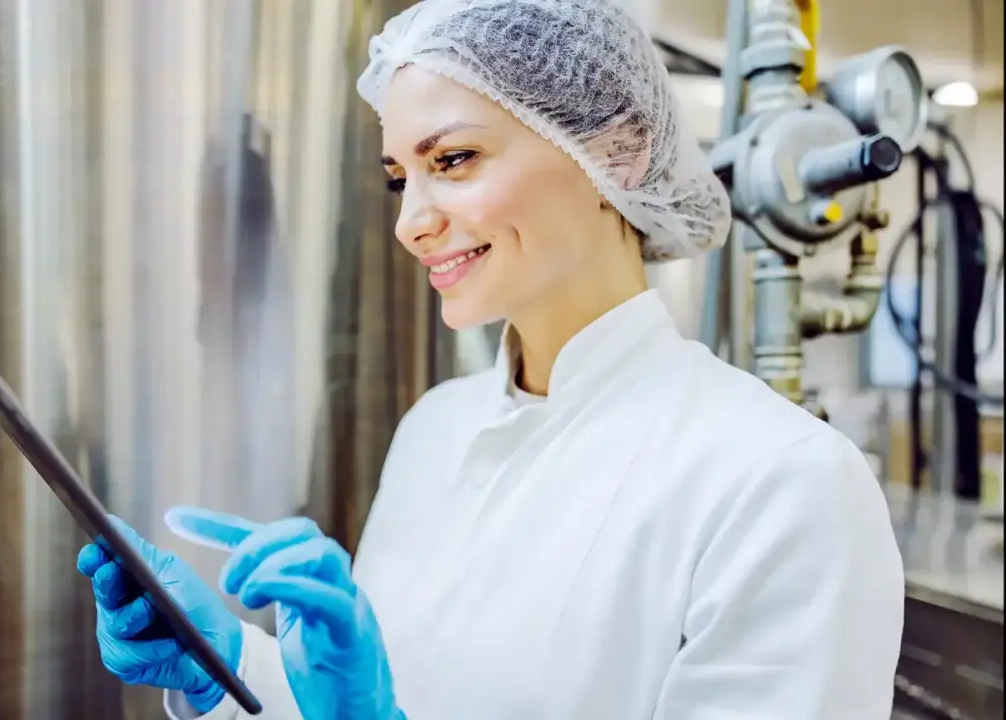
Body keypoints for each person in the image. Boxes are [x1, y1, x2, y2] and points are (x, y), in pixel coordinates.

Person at [76, 0, 906, 718]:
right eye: (400, 177)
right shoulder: (435, 427)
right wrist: (228, 672)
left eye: (454, 160)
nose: (410, 223)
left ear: (618, 150)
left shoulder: (782, 482)